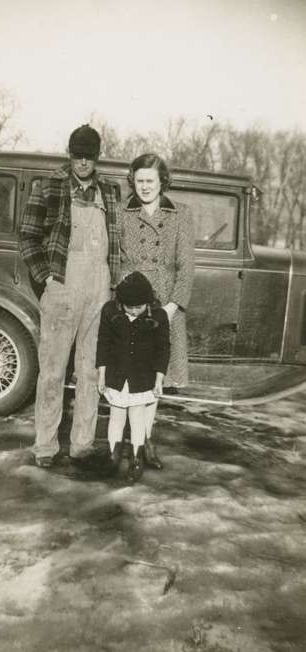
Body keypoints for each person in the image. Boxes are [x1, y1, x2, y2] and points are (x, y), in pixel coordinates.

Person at [19, 124, 120, 468]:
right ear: (69, 153)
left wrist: (114, 284)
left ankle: (82, 444)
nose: (83, 162)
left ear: (96, 157)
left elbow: (116, 242)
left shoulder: (110, 190)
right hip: (63, 284)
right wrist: (47, 278)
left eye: (89, 156)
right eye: (77, 155)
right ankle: (45, 446)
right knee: (52, 370)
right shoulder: (48, 186)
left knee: (91, 369)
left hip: (99, 286)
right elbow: (28, 237)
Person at [119, 153, 195, 470]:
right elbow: (117, 262)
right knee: (128, 379)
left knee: (153, 382)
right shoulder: (122, 214)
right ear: (132, 182)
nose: (145, 186)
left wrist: (171, 307)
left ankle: (146, 441)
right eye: (140, 181)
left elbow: (187, 267)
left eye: (151, 180)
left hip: (165, 306)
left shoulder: (181, 215)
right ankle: (130, 443)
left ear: (162, 181)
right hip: (131, 305)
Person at [96, 271, 170, 483]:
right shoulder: (110, 311)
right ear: (121, 303)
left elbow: (163, 350)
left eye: (139, 307)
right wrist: (102, 375)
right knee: (116, 416)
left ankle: (137, 459)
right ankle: (113, 456)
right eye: (130, 307)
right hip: (116, 376)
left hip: (142, 378)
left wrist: (158, 380)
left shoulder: (158, 316)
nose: (135, 312)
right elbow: (103, 343)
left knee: (137, 418)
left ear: (148, 302)